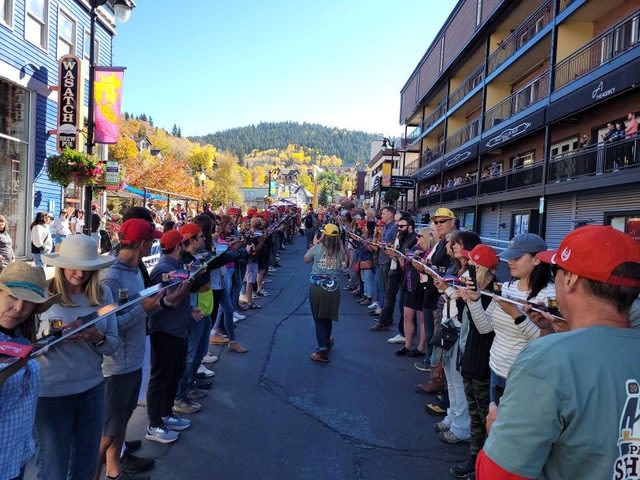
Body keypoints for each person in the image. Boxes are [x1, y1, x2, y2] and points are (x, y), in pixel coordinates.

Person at [476, 226, 640, 479]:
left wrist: (496, 430)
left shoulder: (547, 360)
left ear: (571, 280)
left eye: (557, 271)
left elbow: (498, 473)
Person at [37, 235, 119, 480]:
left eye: (86, 268)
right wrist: (50, 336)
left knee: (85, 467)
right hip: (51, 394)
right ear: (61, 265)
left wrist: (95, 337)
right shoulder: (42, 293)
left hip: (91, 390)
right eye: (74, 266)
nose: (80, 273)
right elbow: (25, 346)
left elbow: (113, 344)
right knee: (54, 469)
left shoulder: (104, 295)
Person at [96, 219, 166, 480]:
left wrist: (157, 303)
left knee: (121, 423)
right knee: (106, 432)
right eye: (151, 240)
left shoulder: (135, 270)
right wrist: (143, 309)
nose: (154, 244)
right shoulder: (110, 278)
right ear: (142, 243)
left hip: (134, 360)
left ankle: (114, 471)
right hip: (116, 366)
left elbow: (136, 308)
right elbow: (106, 326)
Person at [460, 233, 554, 407]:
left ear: (537, 259)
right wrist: (473, 301)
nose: (510, 261)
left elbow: (546, 344)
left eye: (517, 257)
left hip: (525, 376)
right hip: (495, 368)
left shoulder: (549, 295)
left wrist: (515, 314)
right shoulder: (507, 287)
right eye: (509, 256)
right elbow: (485, 327)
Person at [0, 262, 59, 480]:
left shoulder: (21, 337)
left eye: (29, 303)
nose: (19, 308)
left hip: (17, 454)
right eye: (12, 297)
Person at [303, 223, 344, 363]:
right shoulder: (340, 249)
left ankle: (322, 351)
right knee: (328, 317)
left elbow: (306, 259)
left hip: (317, 287)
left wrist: (317, 243)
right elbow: (342, 262)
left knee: (319, 319)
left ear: (324, 235)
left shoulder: (318, 247)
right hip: (333, 287)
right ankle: (326, 341)